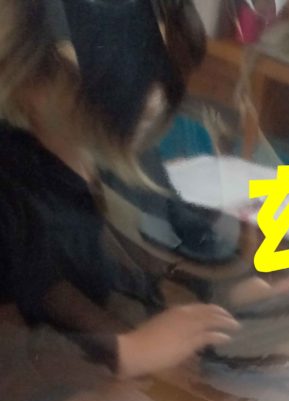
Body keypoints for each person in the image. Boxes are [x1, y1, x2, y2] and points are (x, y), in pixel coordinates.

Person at [0, 0, 239, 378]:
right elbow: (29, 321)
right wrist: (125, 351)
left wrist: (233, 287)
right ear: (32, 83)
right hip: (63, 393)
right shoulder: (17, 190)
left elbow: (182, 234)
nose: (154, 98)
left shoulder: (125, 157)